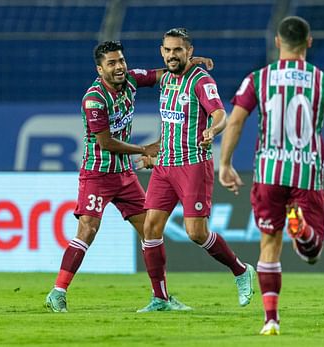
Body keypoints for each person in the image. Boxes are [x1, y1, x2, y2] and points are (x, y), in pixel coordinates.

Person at [218, 16, 324, 335]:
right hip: (307, 173)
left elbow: (235, 122)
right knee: (312, 253)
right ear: (309, 42)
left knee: (269, 243)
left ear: (277, 42)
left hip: (268, 172)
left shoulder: (258, 78)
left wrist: (225, 163)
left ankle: (271, 319)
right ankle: (302, 230)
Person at [45, 40, 213, 313]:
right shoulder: (94, 99)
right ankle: (58, 292)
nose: (119, 67)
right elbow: (105, 142)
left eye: (121, 60)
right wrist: (144, 149)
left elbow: (165, 73)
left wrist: (191, 63)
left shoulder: (132, 80)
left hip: (124, 175)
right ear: (100, 70)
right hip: (97, 174)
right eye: (111, 63)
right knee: (88, 229)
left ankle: (161, 298)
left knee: (151, 230)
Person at [136, 28, 255, 313]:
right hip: (165, 164)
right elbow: (132, 76)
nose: (171, 54)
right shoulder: (164, 78)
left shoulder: (201, 80)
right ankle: (160, 298)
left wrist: (212, 130)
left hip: (193, 164)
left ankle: (241, 271)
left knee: (196, 233)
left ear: (188, 51)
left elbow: (220, 113)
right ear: (161, 51)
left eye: (178, 50)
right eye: (167, 49)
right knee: (150, 228)